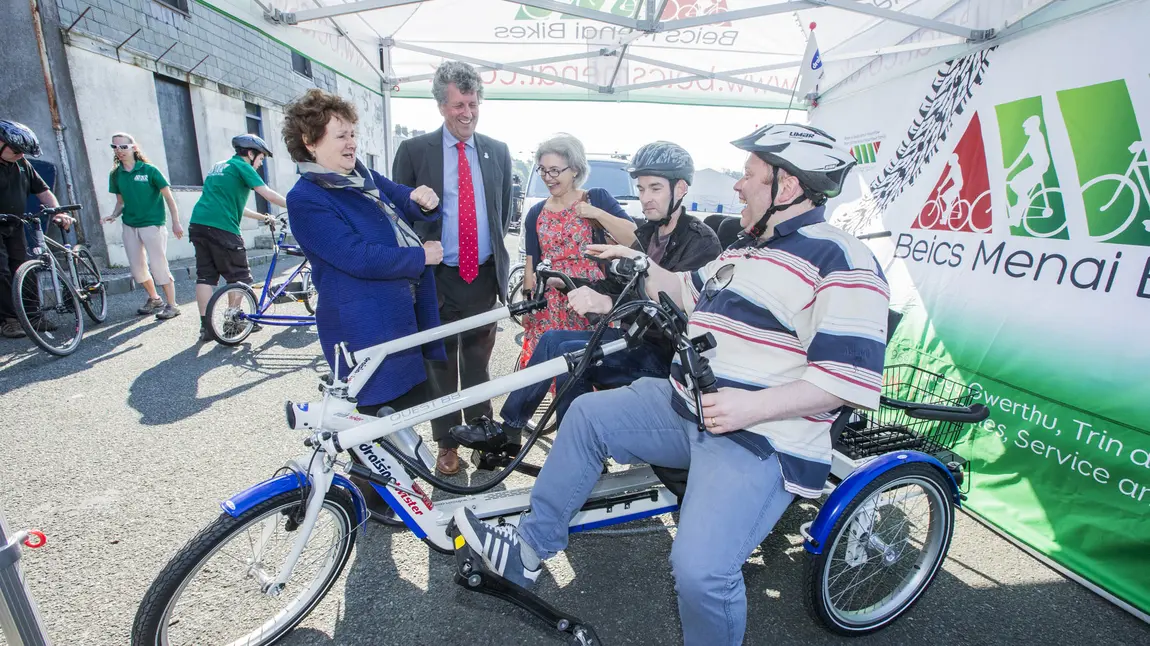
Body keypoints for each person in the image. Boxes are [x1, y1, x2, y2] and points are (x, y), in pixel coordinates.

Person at [453, 124, 890, 646]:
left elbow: (849, 379)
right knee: (589, 417)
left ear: (787, 187)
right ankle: (526, 553)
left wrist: (751, 408)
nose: (737, 186)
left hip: (759, 437)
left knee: (701, 573)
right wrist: (637, 262)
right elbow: (686, 290)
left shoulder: (842, 259)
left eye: (749, 176)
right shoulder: (746, 250)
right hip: (684, 405)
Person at [450, 141, 718, 448]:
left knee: (572, 360)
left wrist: (610, 303)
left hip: (666, 355)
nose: (645, 199)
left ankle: (573, 447)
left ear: (680, 188)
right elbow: (617, 285)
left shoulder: (700, 241)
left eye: (654, 189)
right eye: (641, 189)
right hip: (636, 338)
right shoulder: (648, 233)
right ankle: (511, 430)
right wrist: (571, 283)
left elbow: (687, 307)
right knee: (553, 341)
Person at [283, 89, 445, 519]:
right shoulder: (306, 197)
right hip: (360, 325)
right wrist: (419, 256)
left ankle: (400, 492)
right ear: (310, 141)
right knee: (368, 419)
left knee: (399, 408)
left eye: (352, 133)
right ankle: (372, 503)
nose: (351, 143)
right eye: (340, 136)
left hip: (397, 314)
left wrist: (420, 197)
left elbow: (402, 196)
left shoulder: (362, 177)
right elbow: (354, 255)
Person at [392, 60, 514, 475]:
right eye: (459, 104)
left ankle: (481, 435)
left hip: (481, 276)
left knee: (478, 364)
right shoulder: (413, 151)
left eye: (473, 103)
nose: (468, 112)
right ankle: (447, 443)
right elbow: (399, 218)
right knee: (440, 366)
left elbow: (503, 214)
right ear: (441, 106)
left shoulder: (497, 151)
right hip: (435, 280)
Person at [519, 133, 635, 360]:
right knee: (549, 364)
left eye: (554, 170)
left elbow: (633, 238)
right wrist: (526, 304)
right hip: (550, 300)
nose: (547, 177)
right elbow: (531, 263)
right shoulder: (536, 212)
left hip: (588, 297)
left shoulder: (595, 198)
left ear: (574, 169)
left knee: (586, 365)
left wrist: (597, 214)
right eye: (542, 170)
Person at [188, 134, 287, 342]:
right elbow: (266, 193)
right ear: (250, 154)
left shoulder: (220, 167)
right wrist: (298, 206)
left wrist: (262, 217)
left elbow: (232, 204)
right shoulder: (243, 167)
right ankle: (233, 322)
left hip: (198, 224)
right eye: (260, 159)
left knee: (205, 276)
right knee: (239, 276)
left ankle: (206, 328)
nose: (260, 164)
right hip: (222, 227)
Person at [0, 120, 73, 339]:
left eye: (24, 152)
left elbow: (43, 190)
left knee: (25, 267)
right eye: (16, 151)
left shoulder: (23, 164)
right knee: (1, 271)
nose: (21, 155)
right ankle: (9, 320)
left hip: (15, 223)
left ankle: (33, 315)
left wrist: (57, 211)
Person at [101, 132, 184, 320]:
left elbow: (169, 199)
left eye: (123, 146)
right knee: (137, 267)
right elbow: (121, 202)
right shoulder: (116, 175)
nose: (119, 151)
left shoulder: (149, 171)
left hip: (152, 224)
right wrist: (113, 215)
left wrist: (176, 223)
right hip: (130, 225)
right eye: (114, 147)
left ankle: (172, 305)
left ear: (134, 148)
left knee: (158, 265)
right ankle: (154, 298)